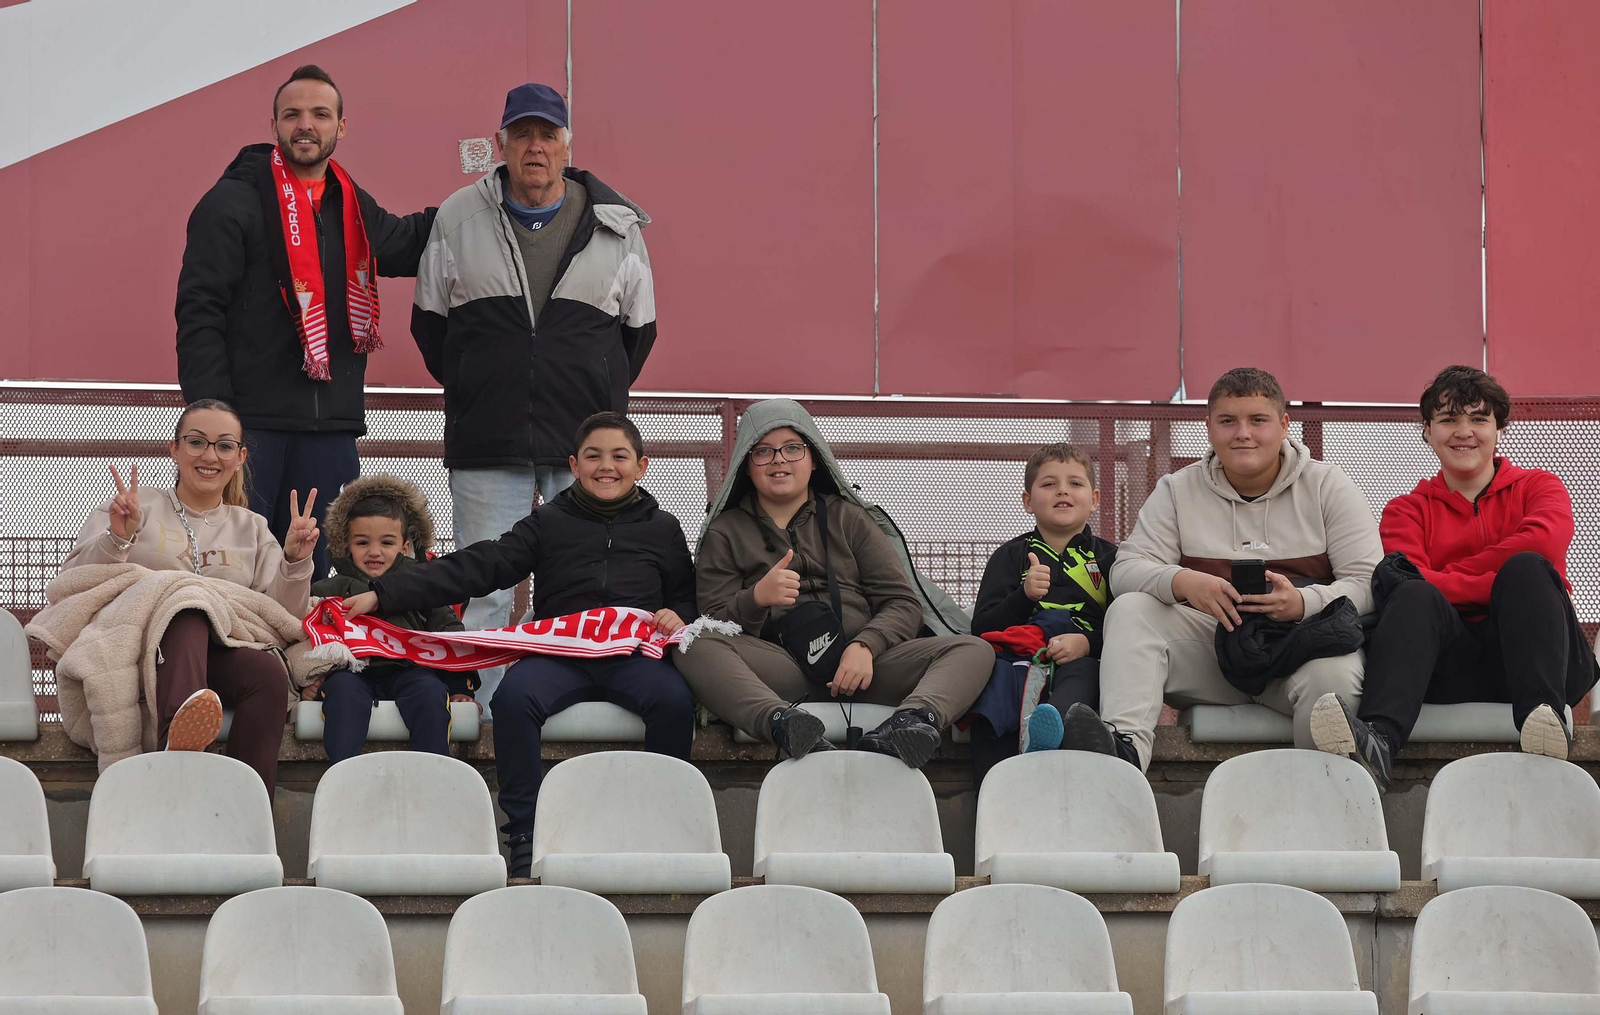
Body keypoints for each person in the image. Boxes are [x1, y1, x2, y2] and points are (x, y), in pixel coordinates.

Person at [340, 413, 694, 876]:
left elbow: (685, 594)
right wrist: (383, 594)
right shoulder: (548, 521)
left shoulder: (664, 527)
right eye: (593, 456)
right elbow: (480, 565)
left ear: (641, 466)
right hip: (558, 655)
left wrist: (677, 613)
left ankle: (662, 831)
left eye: (619, 456)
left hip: (632, 656)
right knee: (512, 700)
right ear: (574, 464)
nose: (606, 466)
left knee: (674, 701)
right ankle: (525, 836)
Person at [410, 82, 656, 713]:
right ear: (502, 144)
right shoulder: (458, 216)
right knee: (486, 588)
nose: (535, 147)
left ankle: (579, 720)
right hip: (490, 442)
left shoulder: (617, 224)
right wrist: (481, 385)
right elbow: (430, 326)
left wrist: (591, 395)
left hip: (585, 447)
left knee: (582, 587)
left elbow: (638, 333)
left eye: (547, 134)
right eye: (522, 135)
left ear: (567, 144)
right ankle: (493, 723)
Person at [176, 64, 436, 577]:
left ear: (341, 127)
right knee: (235, 572)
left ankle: (311, 661)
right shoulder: (231, 201)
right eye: (292, 114)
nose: (305, 125)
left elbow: (406, 243)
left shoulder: (351, 204)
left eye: (320, 114)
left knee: (317, 574)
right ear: (273, 124)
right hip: (252, 429)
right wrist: (214, 420)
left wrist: (488, 200)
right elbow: (199, 311)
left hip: (329, 430)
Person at [1065, 367, 1382, 769]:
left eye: (1258, 420)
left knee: (1336, 678)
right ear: (1210, 427)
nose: (1243, 433)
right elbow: (1125, 570)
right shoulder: (1178, 489)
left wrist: (1302, 602)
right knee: (1130, 611)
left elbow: (1368, 583)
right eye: (1228, 421)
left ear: (1284, 425)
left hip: (1302, 655)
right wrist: (1182, 580)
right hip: (1212, 655)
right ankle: (1122, 757)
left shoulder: (1329, 486)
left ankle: (1319, 796)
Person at [1312, 366, 1599, 788]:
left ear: (1500, 428)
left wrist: (1450, 579)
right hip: (1444, 666)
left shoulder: (1541, 488)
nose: (1463, 431)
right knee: (1411, 595)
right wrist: (1485, 582)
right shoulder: (1404, 510)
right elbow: (1408, 580)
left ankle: (1545, 723)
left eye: (1478, 419)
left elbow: (1542, 545)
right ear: (1427, 431)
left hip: (1534, 661)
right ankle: (1377, 740)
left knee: (1526, 572)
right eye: (1448, 419)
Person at [675, 399, 993, 769]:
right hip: (781, 672)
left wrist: (865, 645)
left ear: (814, 458)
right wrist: (756, 599)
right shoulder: (725, 531)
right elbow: (712, 620)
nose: (778, 460)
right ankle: (784, 725)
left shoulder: (850, 519)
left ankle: (909, 725)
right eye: (763, 451)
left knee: (974, 649)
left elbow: (902, 603)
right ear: (747, 465)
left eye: (793, 448)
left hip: (866, 668)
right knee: (690, 642)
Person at [60, 399, 319, 793]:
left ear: (240, 456)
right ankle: (179, 760)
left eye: (224, 445)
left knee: (267, 675)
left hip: (222, 645)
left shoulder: (251, 527)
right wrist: (119, 537)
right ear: (175, 449)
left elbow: (279, 616)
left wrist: (295, 563)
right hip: (141, 644)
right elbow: (78, 582)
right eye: (197, 442)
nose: (210, 456)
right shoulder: (136, 505)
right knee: (186, 604)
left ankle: (245, 812)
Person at [966, 443, 1117, 786]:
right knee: (996, 685)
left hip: (1082, 663)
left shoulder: (1110, 559)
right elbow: (982, 628)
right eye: (1049, 484)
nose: (1062, 490)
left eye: (1075, 483)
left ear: (1094, 499)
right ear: (1027, 500)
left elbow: (1128, 630)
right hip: (1017, 663)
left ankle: (1049, 729)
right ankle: (993, 791)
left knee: (1084, 672)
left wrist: (1086, 643)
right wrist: (1023, 597)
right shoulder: (1009, 557)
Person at [304, 476, 479, 763]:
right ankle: (342, 780)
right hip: (353, 674)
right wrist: (309, 681)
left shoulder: (423, 587)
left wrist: (461, 688)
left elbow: (450, 636)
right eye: (362, 542)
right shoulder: (330, 589)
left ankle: (433, 775)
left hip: (411, 671)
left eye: (387, 542)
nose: (374, 552)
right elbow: (310, 635)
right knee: (342, 694)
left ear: (405, 545)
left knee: (431, 692)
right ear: (346, 546)